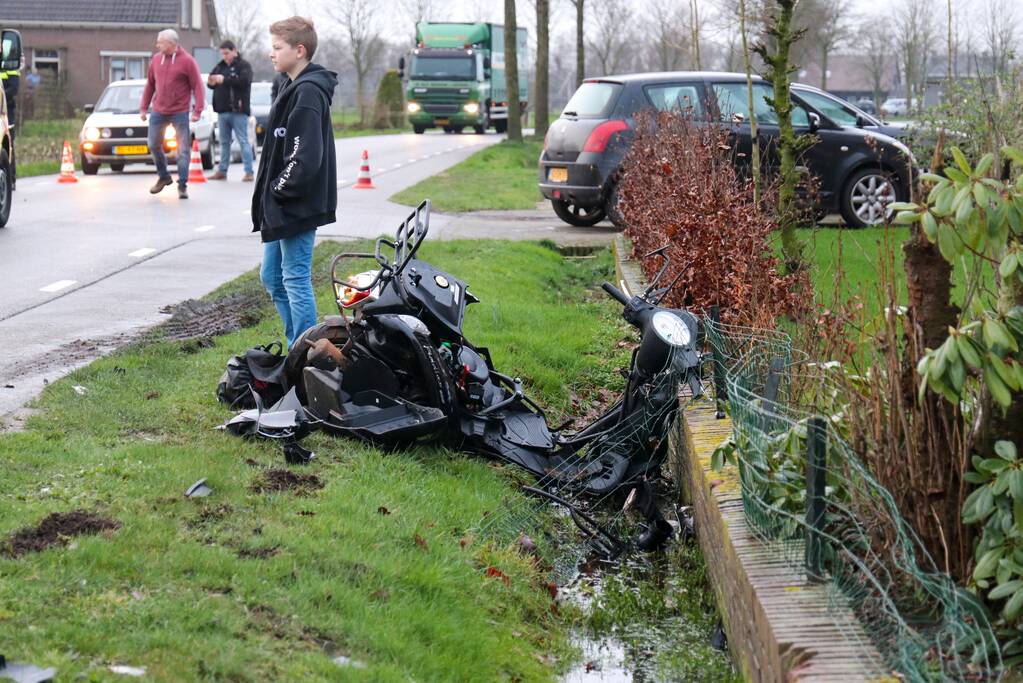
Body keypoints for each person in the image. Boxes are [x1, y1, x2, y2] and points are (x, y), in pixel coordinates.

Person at [251, 16, 337, 350]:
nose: (271, 54)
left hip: (297, 205)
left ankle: (305, 354)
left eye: (277, 48)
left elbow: (304, 157)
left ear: (299, 50)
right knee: (271, 277)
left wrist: (278, 190)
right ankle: (297, 344)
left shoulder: (309, 93)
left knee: (295, 278)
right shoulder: (290, 86)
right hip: (282, 206)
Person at [139, 29, 204, 199]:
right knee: (153, 144)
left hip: (180, 111)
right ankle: (164, 176)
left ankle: (182, 185)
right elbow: (150, 85)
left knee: (182, 150)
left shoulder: (187, 61)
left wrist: (198, 110)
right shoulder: (156, 60)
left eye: (160, 42)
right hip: (159, 111)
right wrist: (143, 107)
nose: (157, 45)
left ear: (171, 43)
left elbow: (197, 86)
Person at [207, 39, 254, 181]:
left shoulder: (244, 66)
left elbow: (245, 82)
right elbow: (212, 83)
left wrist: (224, 80)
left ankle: (249, 171)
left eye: (227, 53)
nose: (225, 56)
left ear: (234, 51)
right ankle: (222, 170)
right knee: (224, 142)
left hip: (238, 110)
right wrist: (211, 82)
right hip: (222, 111)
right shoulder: (220, 66)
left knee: (243, 141)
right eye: (222, 54)